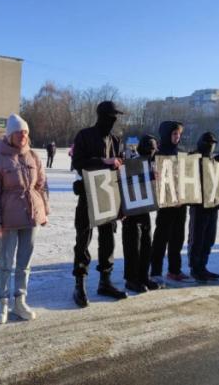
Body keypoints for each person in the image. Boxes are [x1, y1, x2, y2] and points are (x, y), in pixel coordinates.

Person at [0, 114, 49, 324]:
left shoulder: (34, 156)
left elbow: (41, 186)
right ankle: (2, 302)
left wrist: (44, 211)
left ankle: (20, 301)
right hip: (7, 219)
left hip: (31, 217)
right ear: (10, 134)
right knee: (5, 263)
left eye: (25, 132)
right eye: (18, 131)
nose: (22, 135)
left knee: (24, 263)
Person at [71, 101, 128, 308]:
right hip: (88, 194)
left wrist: (123, 204)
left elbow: (120, 169)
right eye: (111, 116)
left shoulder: (116, 139)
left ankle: (105, 280)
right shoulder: (84, 135)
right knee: (83, 238)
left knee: (107, 239)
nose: (113, 120)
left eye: (116, 117)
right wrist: (103, 162)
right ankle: (80, 282)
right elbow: (77, 163)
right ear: (101, 116)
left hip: (109, 195)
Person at [150, 121, 191, 285]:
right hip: (166, 202)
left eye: (179, 134)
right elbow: (155, 179)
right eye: (175, 134)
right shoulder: (158, 153)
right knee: (161, 237)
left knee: (178, 237)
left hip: (181, 202)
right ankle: (155, 271)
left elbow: (187, 176)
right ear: (167, 134)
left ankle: (174, 270)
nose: (178, 137)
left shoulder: (181, 152)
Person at [121, 134, 161, 292]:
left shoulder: (153, 163)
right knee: (133, 246)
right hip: (132, 212)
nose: (152, 151)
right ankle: (131, 279)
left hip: (145, 210)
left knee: (146, 244)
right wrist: (147, 177)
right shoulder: (132, 162)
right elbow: (127, 182)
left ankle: (143, 275)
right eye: (150, 148)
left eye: (154, 148)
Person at [187, 132, 219, 283]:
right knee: (197, 238)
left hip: (212, 204)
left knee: (209, 238)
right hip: (199, 205)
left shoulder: (212, 159)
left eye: (213, 143)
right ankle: (195, 269)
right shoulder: (193, 157)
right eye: (208, 142)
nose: (211, 145)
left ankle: (203, 266)